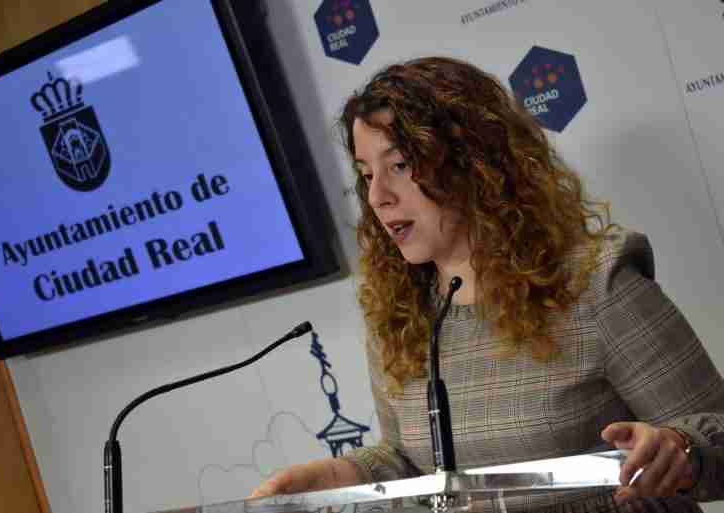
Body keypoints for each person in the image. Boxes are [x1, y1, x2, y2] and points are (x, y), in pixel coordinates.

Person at [250, 57, 724, 512]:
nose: (377, 196)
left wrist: (681, 448)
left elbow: (715, 434)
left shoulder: (594, 284)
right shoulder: (402, 312)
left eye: (399, 166)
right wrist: (337, 476)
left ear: (473, 162)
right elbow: (417, 464)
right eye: (366, 174)